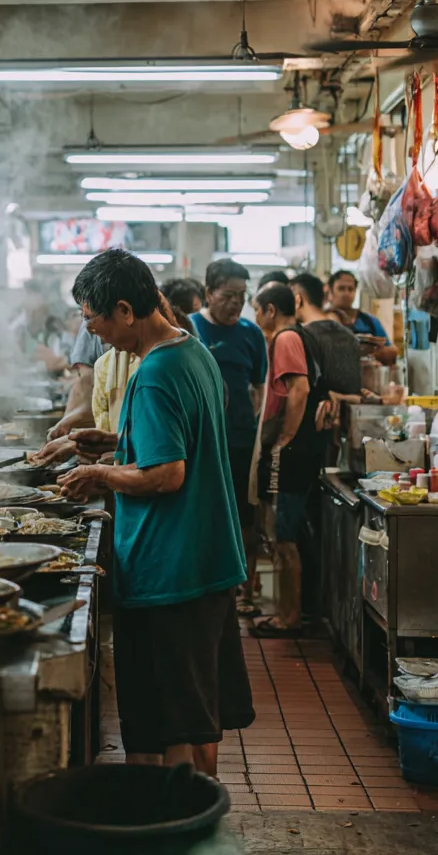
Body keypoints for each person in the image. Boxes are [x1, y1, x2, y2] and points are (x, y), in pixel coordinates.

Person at [58, 250, 253, 776]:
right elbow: (184, 438)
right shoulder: (193, 352)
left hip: (169, 571)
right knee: (194, 717)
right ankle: (184, 817)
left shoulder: (156, 373)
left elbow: (167, 474)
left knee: (168, 726)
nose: (93, 333)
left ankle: (179, 825)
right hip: (205, 562)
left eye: (92, 319)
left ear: (124, 310)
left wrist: (98, 474)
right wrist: (118, 442)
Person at [189, 259, 267, 614]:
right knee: (205, 515)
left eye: (242, 296)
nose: (236, 303)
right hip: (201, 443)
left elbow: (258, 389)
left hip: (241, 441)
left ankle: (246, 591)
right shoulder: (190, 331)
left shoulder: (252, 335)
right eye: (229, 295)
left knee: (245, 517)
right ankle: (208, 587)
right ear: (208, 293)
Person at [251, 283, 326, 638]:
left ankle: (290, 616)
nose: (255, 317)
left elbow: (300, 388)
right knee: (284, 534)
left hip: (293, 452)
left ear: (269, 310)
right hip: (298, 451)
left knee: (284, 535)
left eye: (256, 309)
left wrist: (285, 438)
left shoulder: (286, 339)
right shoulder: (300, 336)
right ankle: (289, 611)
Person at [291, 272, 362, 398]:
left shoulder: (301, 337)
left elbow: (305, 391)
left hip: (319, 415)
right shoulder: (349, 335)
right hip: (351, 412)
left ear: (298, 300)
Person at [327, 269, 398, 365]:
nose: (346, 293)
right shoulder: (322, 320)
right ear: (331, 292)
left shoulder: (369, 321)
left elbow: (392, 350)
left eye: (350, 289)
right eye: (341, 288)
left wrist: (369, 354)